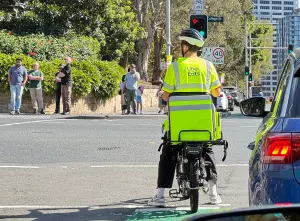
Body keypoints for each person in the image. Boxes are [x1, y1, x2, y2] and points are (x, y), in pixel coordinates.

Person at [148, 28, 222, 207]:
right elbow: (217, 92)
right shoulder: (208, 66)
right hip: (204, 125)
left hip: (179, 126)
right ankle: (213, 193)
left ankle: (160, 196)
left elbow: (165, 96)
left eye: (182, 44)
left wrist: (165, 96)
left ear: (186, 46)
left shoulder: (175, 66)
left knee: (168, 153)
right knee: (208, 149)